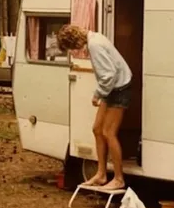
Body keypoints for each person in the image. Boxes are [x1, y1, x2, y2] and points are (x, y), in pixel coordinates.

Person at [56, 24, 132, 190]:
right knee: (97, 129)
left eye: (71, 48)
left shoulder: (94, 45)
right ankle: (101, 173)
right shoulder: (94, 37)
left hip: (119, 89)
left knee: (109, 133)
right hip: (112, 89)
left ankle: (119, 178)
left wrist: (98, 94)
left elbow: (109, 75)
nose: (74, 51)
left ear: (74, 42)